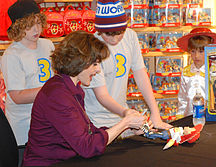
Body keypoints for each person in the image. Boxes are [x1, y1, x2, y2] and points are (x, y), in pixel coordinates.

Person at [22, 31, 148, 167]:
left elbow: (88, 131)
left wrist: (128, 129)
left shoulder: (68, 87)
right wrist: (125, 123)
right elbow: (87, 147)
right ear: (79, 62)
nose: (98, 70)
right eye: (95, 64)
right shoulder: (58, 95)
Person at [83, 0, 172, 134]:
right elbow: (102, 95)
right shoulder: (91, 46)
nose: (114, 39)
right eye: (108, 34)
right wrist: (126, 113)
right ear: (99, 30)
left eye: (120, 33)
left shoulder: (130, 36)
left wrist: (155, 113)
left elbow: (141, 75)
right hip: (96, 120)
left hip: (122, 117)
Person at [1, 0, 54, 146]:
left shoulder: (48, 45)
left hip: (48, 119)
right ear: (18, 28)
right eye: (29, 26)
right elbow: (17, 96)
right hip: (24, 125)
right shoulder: (12, 55)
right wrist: (53, 89)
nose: (36, 29)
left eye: (38, 23)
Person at [176, 27, 216, 117]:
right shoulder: (186, 72)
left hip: (209, 117)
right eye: (193, 51)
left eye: (201, 51)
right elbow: (182, 98)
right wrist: (180, 115)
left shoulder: (215, 72)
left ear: (209, 51)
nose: (196, 56)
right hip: (189, 117)